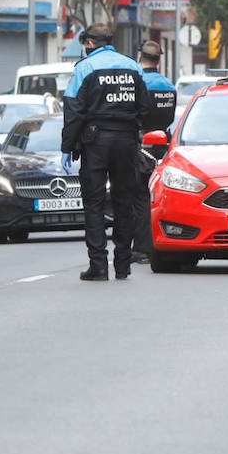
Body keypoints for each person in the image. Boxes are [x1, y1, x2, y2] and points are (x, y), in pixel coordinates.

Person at [61, 25, 147, 281]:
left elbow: (73, 111)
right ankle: (123, 265)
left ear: (89, 44)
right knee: (124, 202)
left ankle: (98, 266)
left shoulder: (84, 68)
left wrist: (68, 147)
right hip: (126, 141)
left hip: (95, 142)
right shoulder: (133, 67)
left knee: (94, 204)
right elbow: (146, 106)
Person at [132, 40, 177, 263]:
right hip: (163, 147)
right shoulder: (168, 86)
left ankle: (141, 248)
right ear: (159, 60)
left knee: (140, 197)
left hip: (141, 146)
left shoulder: (138, 83)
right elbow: (169, 119)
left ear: (141, 57)